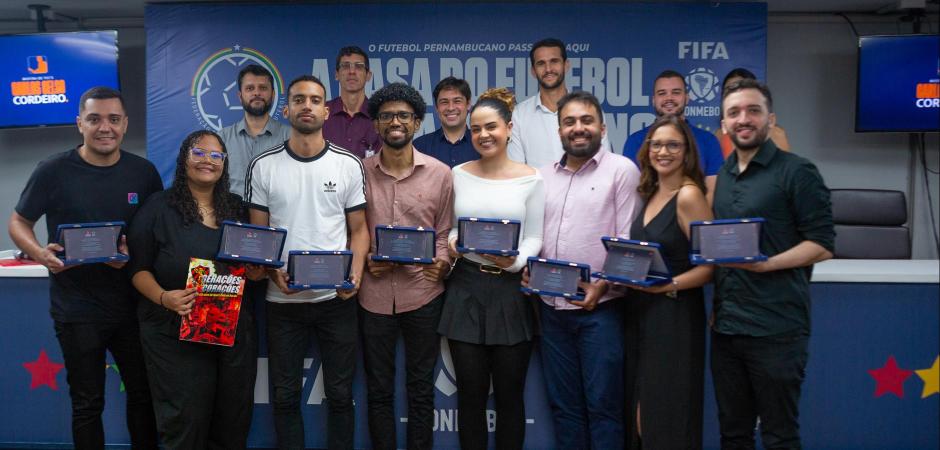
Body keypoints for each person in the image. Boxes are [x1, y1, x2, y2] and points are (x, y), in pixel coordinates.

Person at [8, 86, 160, 449]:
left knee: (144, 397)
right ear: (80, 124)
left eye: (112, 119)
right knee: (88, 404)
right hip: (76, 310)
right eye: (94, 119)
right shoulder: (52, 170)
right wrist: (40, 253)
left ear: (125, 124)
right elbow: (18, 222)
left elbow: (155, 233)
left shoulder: (144, 173)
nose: (103, 127)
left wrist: (130, 254)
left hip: (133, 308)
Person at [245, 74, 369, 450]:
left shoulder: (348, 164)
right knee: (284, 398)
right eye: (299, 100)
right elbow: (258, 239)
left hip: (336, 303)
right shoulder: (263, 166)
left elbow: (359, 231)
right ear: (287, 109)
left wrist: (356, 275)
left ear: (326, 110)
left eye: (315, 100)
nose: (307, 106)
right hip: (282, 302)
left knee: (341, 395)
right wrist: (270, 269)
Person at [711, 79, 834, 449]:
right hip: (727, 330)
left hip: (776, 329)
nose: (743, 119)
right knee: (733, 434)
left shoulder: (797, 171)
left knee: (780, 435)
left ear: (771, 119)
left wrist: (769, 264)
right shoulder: (725, 176)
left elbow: (822, 244)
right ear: (724, 124)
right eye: (734, 113)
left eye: (753, 111)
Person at [127, 130, 263, 449]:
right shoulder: (158, 207)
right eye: (199, 153)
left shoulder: (237, 209)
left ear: (225, 164)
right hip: (173, 331)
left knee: (232, 421)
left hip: (231, 332)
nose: (207, 161)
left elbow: (251, 268)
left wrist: (258, 272)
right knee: (185, 422)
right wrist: (164, 297)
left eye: (216, 156)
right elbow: (137, 270)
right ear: (184, 158)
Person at [438, 87, 545, 450]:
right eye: (477, 129)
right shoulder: (458, 174)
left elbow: (534, 237)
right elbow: (451, 229)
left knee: (510, 399)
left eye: (492, 127)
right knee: (469, 398)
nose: (484, 135)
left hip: (511, 292)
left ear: (509, 128)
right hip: (466, 289)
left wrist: (515, 261)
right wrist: (455, 243)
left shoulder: (532, 178)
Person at [533, 91, 641, 449]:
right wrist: (527, 268)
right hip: (551, 311)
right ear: (559, 129)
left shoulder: (622, 170)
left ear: (602, 127)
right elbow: (536, 236)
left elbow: (628, 242)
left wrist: (603, 285)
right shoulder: (543, 177)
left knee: (604, 408)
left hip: (602, 312)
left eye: (586, 120)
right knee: (565, 409)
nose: (578, 128)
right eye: (569, 121)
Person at [359, 83, 455, 450]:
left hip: (423, 294)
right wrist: (366, 262)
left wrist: (443, 263)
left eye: (403, 115)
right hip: (374, 296)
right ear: (377, 125)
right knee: (378, 389)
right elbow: (352, 231)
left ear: (416, 122)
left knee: (420, 388)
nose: (394, 122)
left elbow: (445, 231)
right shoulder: (360, 172)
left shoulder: (441, 173)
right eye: (386, 116)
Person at [622, 116, 715, 449]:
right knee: (639, 411)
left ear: (687, 150)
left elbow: (710, 266)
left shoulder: (689, 195)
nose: (663, 151)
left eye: (673, 144)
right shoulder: (649, 192)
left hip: (674, 316)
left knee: (665, 413)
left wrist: (669, 285)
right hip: (640, 312)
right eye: (656, 144)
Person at [508, 37, 612, 168]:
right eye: (541, 63)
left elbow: (604, 163)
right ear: (533, 71)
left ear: (566, 65)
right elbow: (516, 170)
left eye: (554, 61)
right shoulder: (519, 114)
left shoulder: (589, 109)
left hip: (584, 188)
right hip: (538, 188)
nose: (548, 69)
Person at [622, 70, 724, 202]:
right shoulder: (635, 141)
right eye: (662, 93)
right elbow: (632, 195)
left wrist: (698, 219)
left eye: (676, 92)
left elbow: (711, 192)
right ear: (653, 100)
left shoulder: (708, 140)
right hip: (649, 219)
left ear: (687, 98)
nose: (669, 98)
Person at [218, 64, 291, 196]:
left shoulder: (291, 137)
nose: (257, 93)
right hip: (233, 214)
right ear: (240, 96)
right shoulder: (222, 138)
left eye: (263, 88)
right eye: (250, 88)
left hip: (277, 214)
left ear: (273, 95)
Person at [714, 68, 791, 157]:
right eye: (728, 89)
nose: (735, 93)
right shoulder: (719, 135)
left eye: (741, 87)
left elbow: (784, 168)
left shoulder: (776, 134)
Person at [323, 46, 382, 159]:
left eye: (359, 66)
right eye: (345, 66)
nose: (352, 71)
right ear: (336, 74)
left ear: (368, 75)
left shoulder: (381, 116)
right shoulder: (320, 113)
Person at [413, 76, 478, 167]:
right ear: (436, 108)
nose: (451, 108)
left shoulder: (481, 143)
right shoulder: (419, 146)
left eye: (457, 101)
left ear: (468, 104)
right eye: (444, 102)